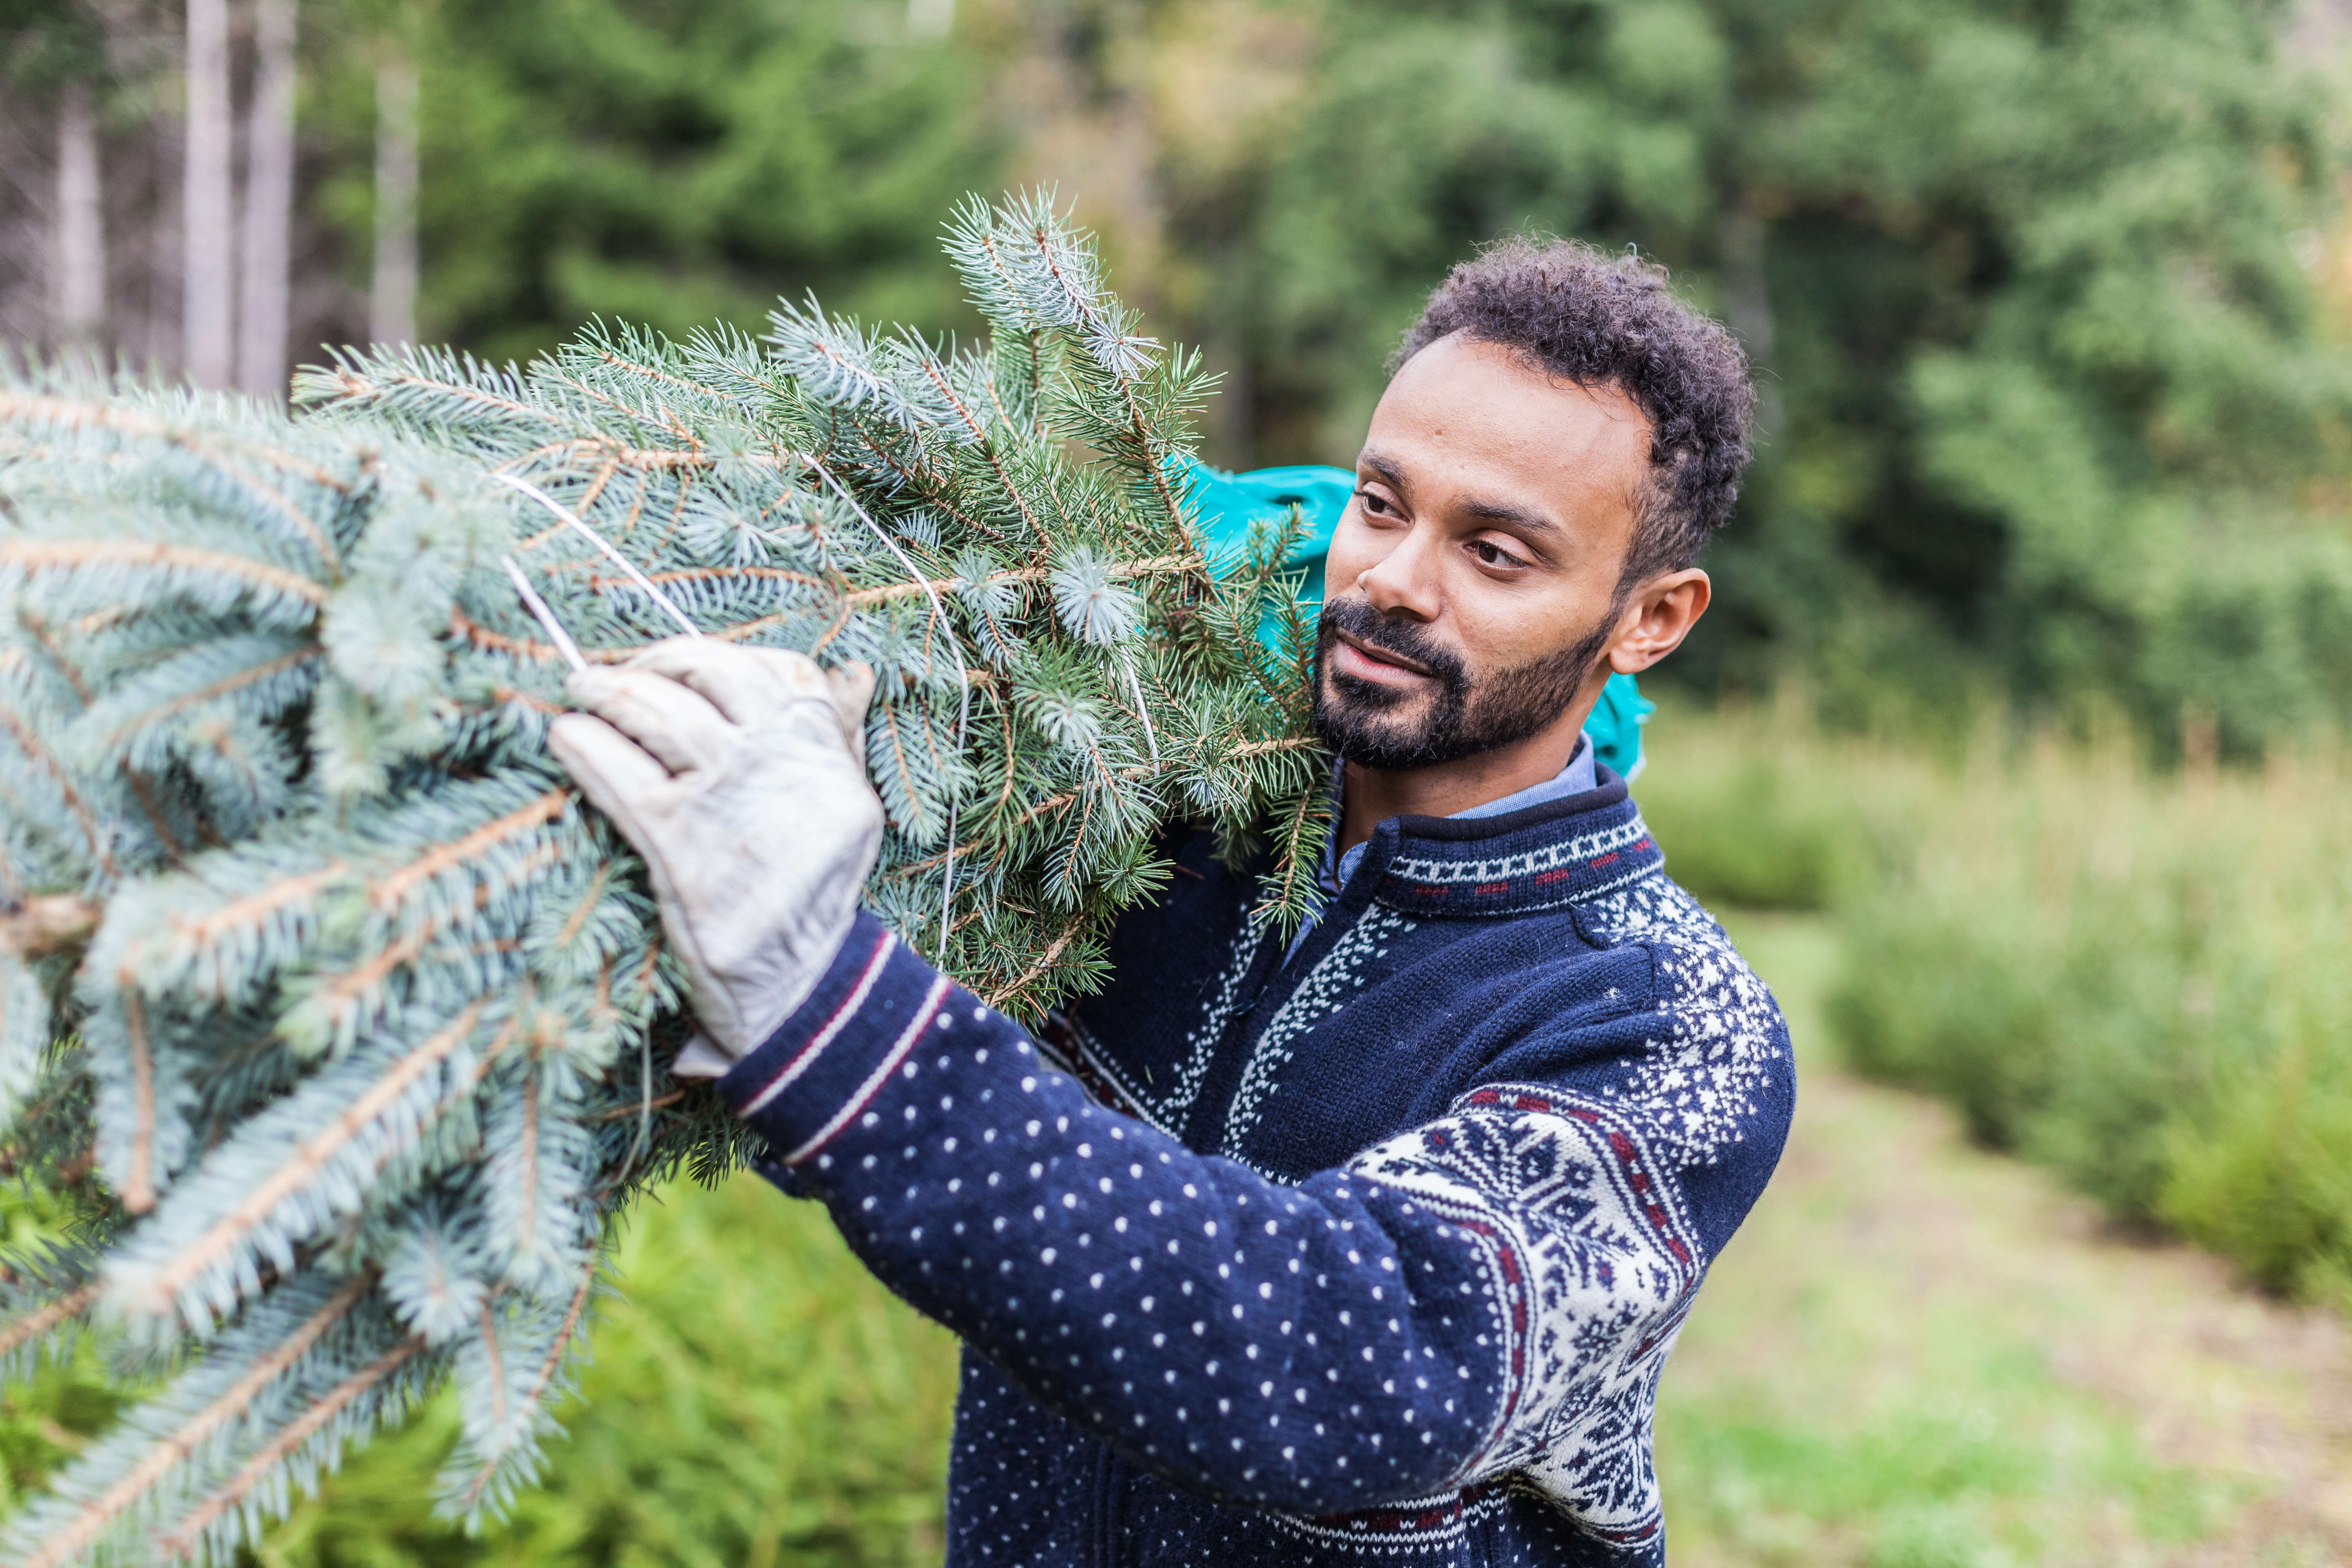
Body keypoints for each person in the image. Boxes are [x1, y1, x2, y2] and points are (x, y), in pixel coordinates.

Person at [549, 238, 1793, 1567]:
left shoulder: (1669, 1029)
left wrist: (828, 1001)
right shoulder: (1163, 827)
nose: (1390, 582)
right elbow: (936, 1145)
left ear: (1650, 619)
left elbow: (1345, 1363)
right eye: (1383, 504)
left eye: (1496, 554)